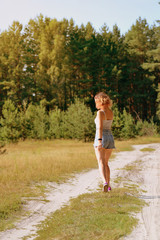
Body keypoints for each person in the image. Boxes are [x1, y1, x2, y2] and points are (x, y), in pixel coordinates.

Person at [93, 92, 115, 192]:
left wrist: (100, 141)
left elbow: (100, 127)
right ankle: (109, 185)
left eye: (96, 102)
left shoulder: (100, 113)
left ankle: (104, 182)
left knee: (101, 162)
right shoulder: (110, 112)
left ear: (99, 102)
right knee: (106, 163)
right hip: (110, 137)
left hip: (101, 136)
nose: (95, 104)